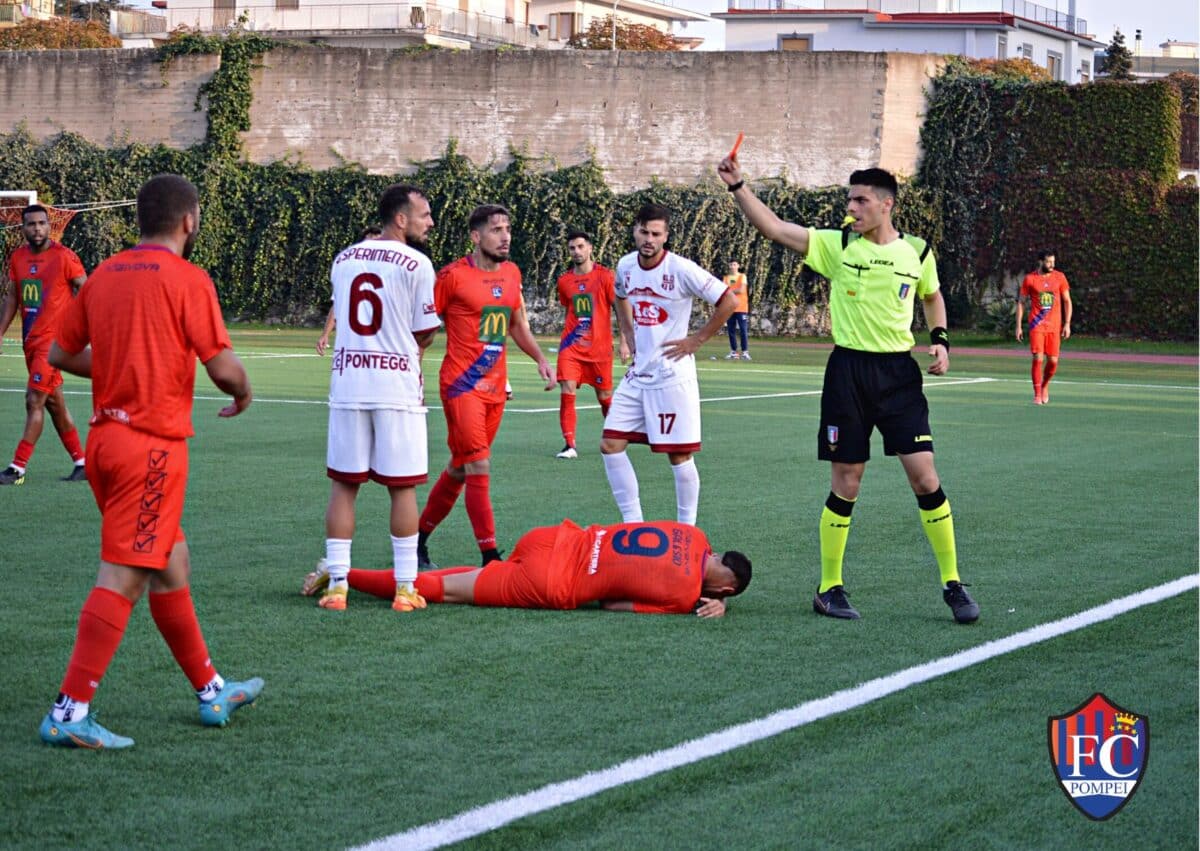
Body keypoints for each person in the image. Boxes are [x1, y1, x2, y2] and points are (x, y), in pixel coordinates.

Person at [38, 174, 262, 749]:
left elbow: (60, 352)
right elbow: (223, 368)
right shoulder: (187, 279)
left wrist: (121, 366)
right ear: (189, 220)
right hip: (150, 451)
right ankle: (69, 711)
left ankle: (212, 691)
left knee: (170, 562)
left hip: (105, 445)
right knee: (124, 574)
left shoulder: (105, 273)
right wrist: (243, 391)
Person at [718, 156, 979, 624]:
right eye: (849, 200)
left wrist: (940, 338)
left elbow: (932, 294)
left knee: (925, 477)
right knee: (847, 482)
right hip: (848, 374)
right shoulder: (837, 244)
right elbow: (774, 228)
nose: (851, 208)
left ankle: (953, 583)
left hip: (899, 376)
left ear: (886, 204)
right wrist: (738, 185)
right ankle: (829, 588)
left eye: (860, 200)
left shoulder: (917, 251)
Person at [316, 186, 441, 613]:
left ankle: (337, 586)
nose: (430, 222)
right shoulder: (418, 263)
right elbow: (425, 331)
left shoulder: (343, 258)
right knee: (402, 488)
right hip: (396, 388)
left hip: (349, 384)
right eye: (424, 214)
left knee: (343, 485)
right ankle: (405, 588)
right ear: (401, 219)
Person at [417, 204, 555, 569]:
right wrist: (413, 367)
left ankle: (418, 539)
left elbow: (516, 323)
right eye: (496, 230)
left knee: (460, 469)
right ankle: (490, 557)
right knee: (478, 466)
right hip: (462, 387)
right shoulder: (452, 276)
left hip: (496, 389)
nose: (505, 236)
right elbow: (423, 327)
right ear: (476, 237)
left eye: (507, 229)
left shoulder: (512, 273)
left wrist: (540, 359)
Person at [303, 519, 751, 617]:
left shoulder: (693, 534)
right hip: (550, 581)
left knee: (464, 577)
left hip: (554, 537)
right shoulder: (683, 598)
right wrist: (704, 603)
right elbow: (613, 605)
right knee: (445, 591)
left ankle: (342, 571)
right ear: (725, 591)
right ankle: (340, 574)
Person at [600, 203, 735, 526]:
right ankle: (633, 524)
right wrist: (627, 332)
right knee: (610, 444)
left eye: (656, 234)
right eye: (644, 232)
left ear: (666, 236)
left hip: (672, 375)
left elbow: (729, 300)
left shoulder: (681, 269)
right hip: (638, 375)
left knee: (679, 454)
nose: (649, 239)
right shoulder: (626, 265)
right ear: (635, 231)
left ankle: (687, 529)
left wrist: (696, 340)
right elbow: (619, 295)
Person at [0, 205, 89, 485]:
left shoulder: (65, 257)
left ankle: (17, 468)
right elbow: (12, 297)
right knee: (54, 404)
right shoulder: (18, 258)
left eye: (42, 223)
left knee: (33, 400)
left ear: (50, 226)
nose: (37, 228)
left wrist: (81, 328)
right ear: (23, 228)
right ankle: (82, 463)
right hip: (31, 342)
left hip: (53, 346)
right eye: (31, 224)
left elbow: (87, 291)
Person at [552, 230, 627, 459]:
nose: (576, 251)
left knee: (604, 396)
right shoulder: (564, 281)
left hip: (599, 349)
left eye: (580, 246)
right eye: (572, 248)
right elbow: (569, 309)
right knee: (567, 389)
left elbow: (621, 310)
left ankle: (617, 436)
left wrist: (625, 342)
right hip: (571, 347)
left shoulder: (605, 277)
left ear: (590, 248)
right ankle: (569, 445)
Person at [1016, 250, 1072, 405]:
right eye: (1048, 262)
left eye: (1053, 262)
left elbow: (1067, 301)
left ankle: (1045, 385)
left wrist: (1067, 324)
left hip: (1054, 326)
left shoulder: (1060, 277)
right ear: (1040, 262)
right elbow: (1021, 302)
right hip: (1037, 325)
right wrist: (1018, 326)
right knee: (1038, 358)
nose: (1052, 265)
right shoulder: (1030, 279)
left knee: (1053, 361)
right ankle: (1037, 394)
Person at [316, 225, 382, 356]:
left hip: (379, 343)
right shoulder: (349, 273)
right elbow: (337, 304)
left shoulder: (390, 274)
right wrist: (325, 334)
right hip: (352, 343)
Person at [722, 260, 751, 360]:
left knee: (743, 330)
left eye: (734, 264)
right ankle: (734, 351)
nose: (732, 266)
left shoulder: (742, 277)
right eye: (731, 264)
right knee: (731, 330)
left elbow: (741, 290)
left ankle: (745, 352)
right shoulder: (726, 278)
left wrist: (728, 291)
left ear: (738, 266)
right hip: (730, 307)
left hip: (741, 307)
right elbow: (723, 291)